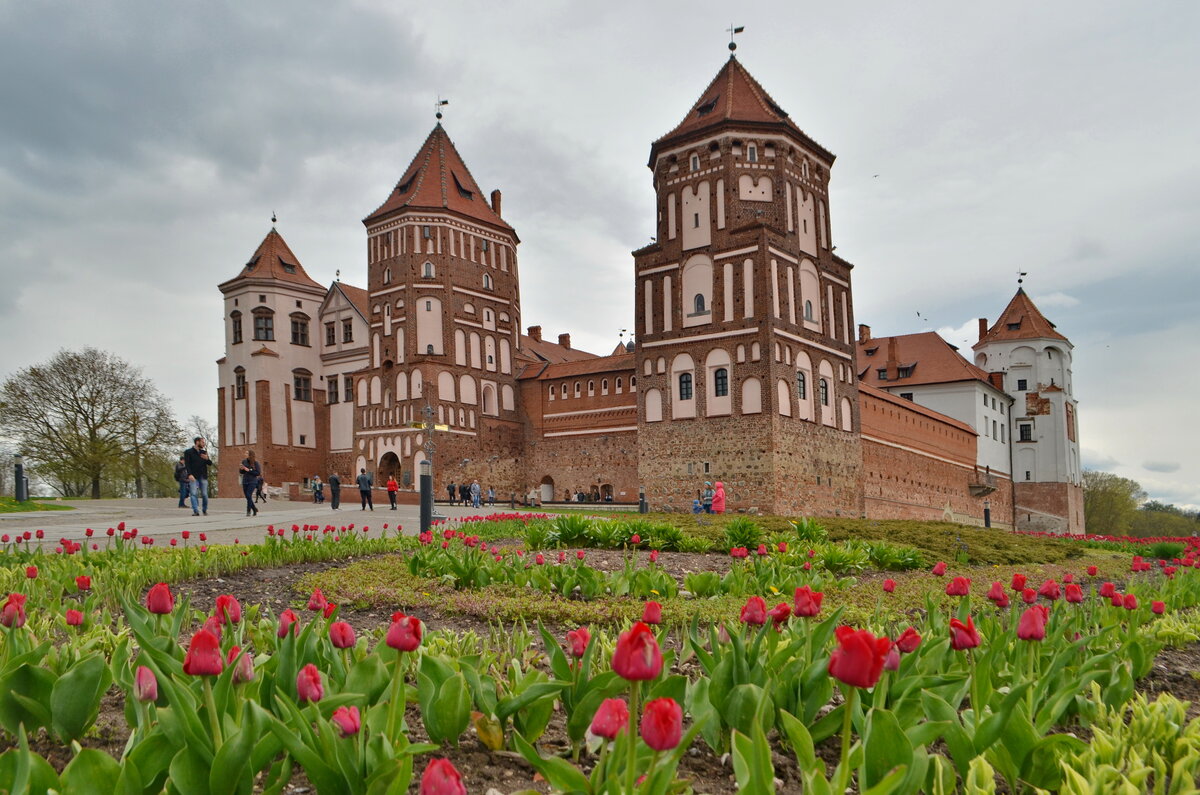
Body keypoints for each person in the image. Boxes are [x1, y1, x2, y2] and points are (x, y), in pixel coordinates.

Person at [183, 437, 213, 516]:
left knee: (204, 494)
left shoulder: (203, 452)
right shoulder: (188, 452)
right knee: (193, 493)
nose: (204, 444)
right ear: (197, 442)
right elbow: (187, 464)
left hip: (203, 476)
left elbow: (210, 463)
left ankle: (204, 509)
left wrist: (207, 459)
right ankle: (196, 511)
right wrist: (189, 474)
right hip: (193, 476)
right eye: (202, 442)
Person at [239, 451, 261, 517]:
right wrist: (241, 469)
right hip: (245, 481)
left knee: (249, 495)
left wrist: (249, 470)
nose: (244, 454)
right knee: (247, 497)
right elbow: (241, 472)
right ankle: (254, 509)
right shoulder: (244, 461)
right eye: (245, 453)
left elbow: (258, 473)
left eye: (246, 453)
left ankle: (248, 511)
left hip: (252, 481)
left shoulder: (255, 463)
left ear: (250, 455)